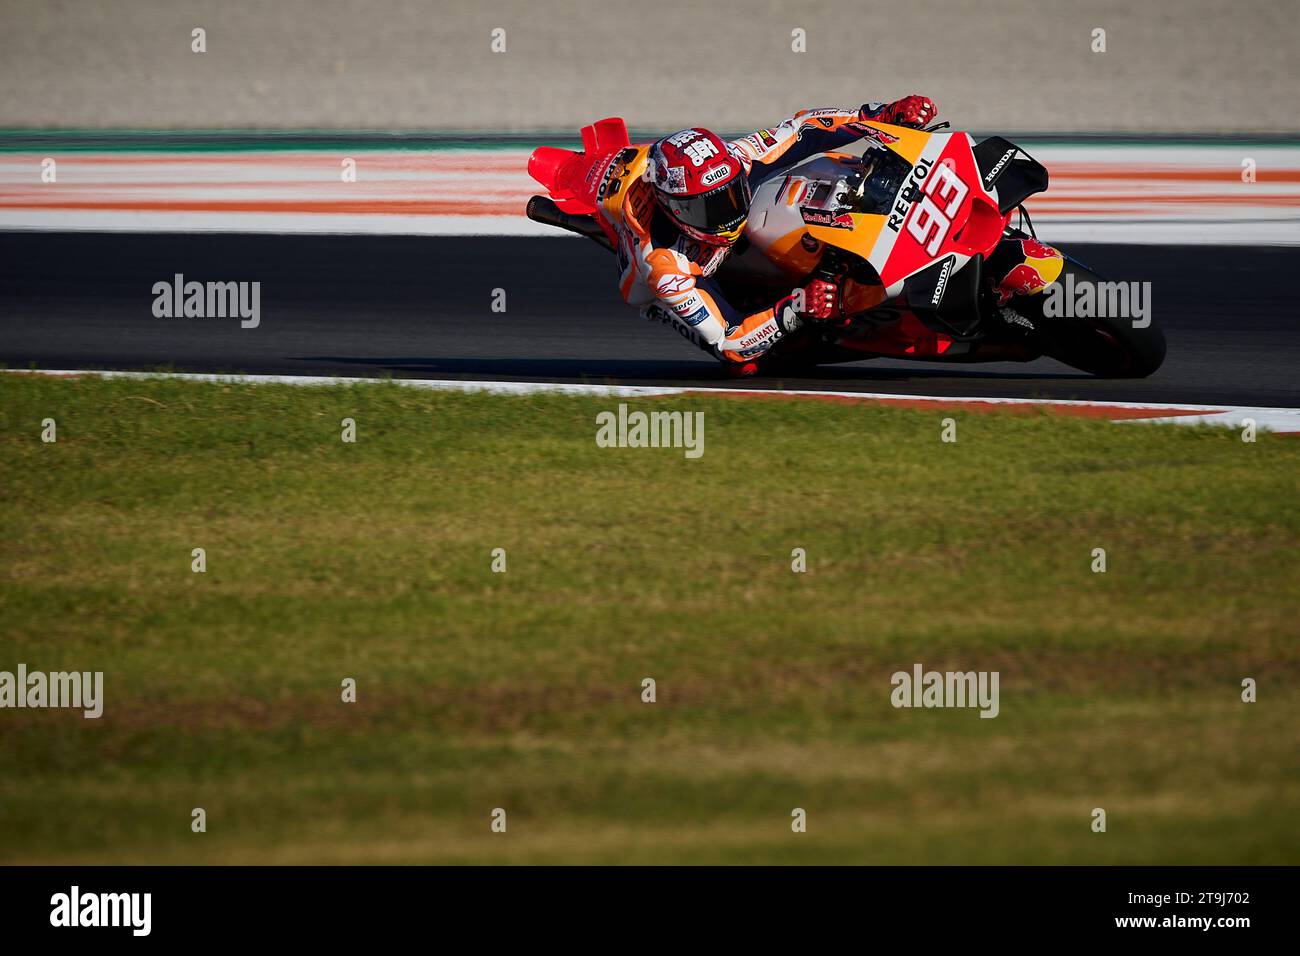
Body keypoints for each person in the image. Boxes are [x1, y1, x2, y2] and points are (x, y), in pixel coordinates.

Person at [598, 97, 939, 372]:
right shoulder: (664, 266)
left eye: (729, 194)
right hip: (676, 281)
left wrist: (880, 114)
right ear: (674, 209)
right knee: (744, 366)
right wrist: (796, 307)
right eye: (707, 208)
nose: (726, 213)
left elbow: (804, 127)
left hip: (732, 242)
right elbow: (729, 342)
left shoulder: (737, 157)